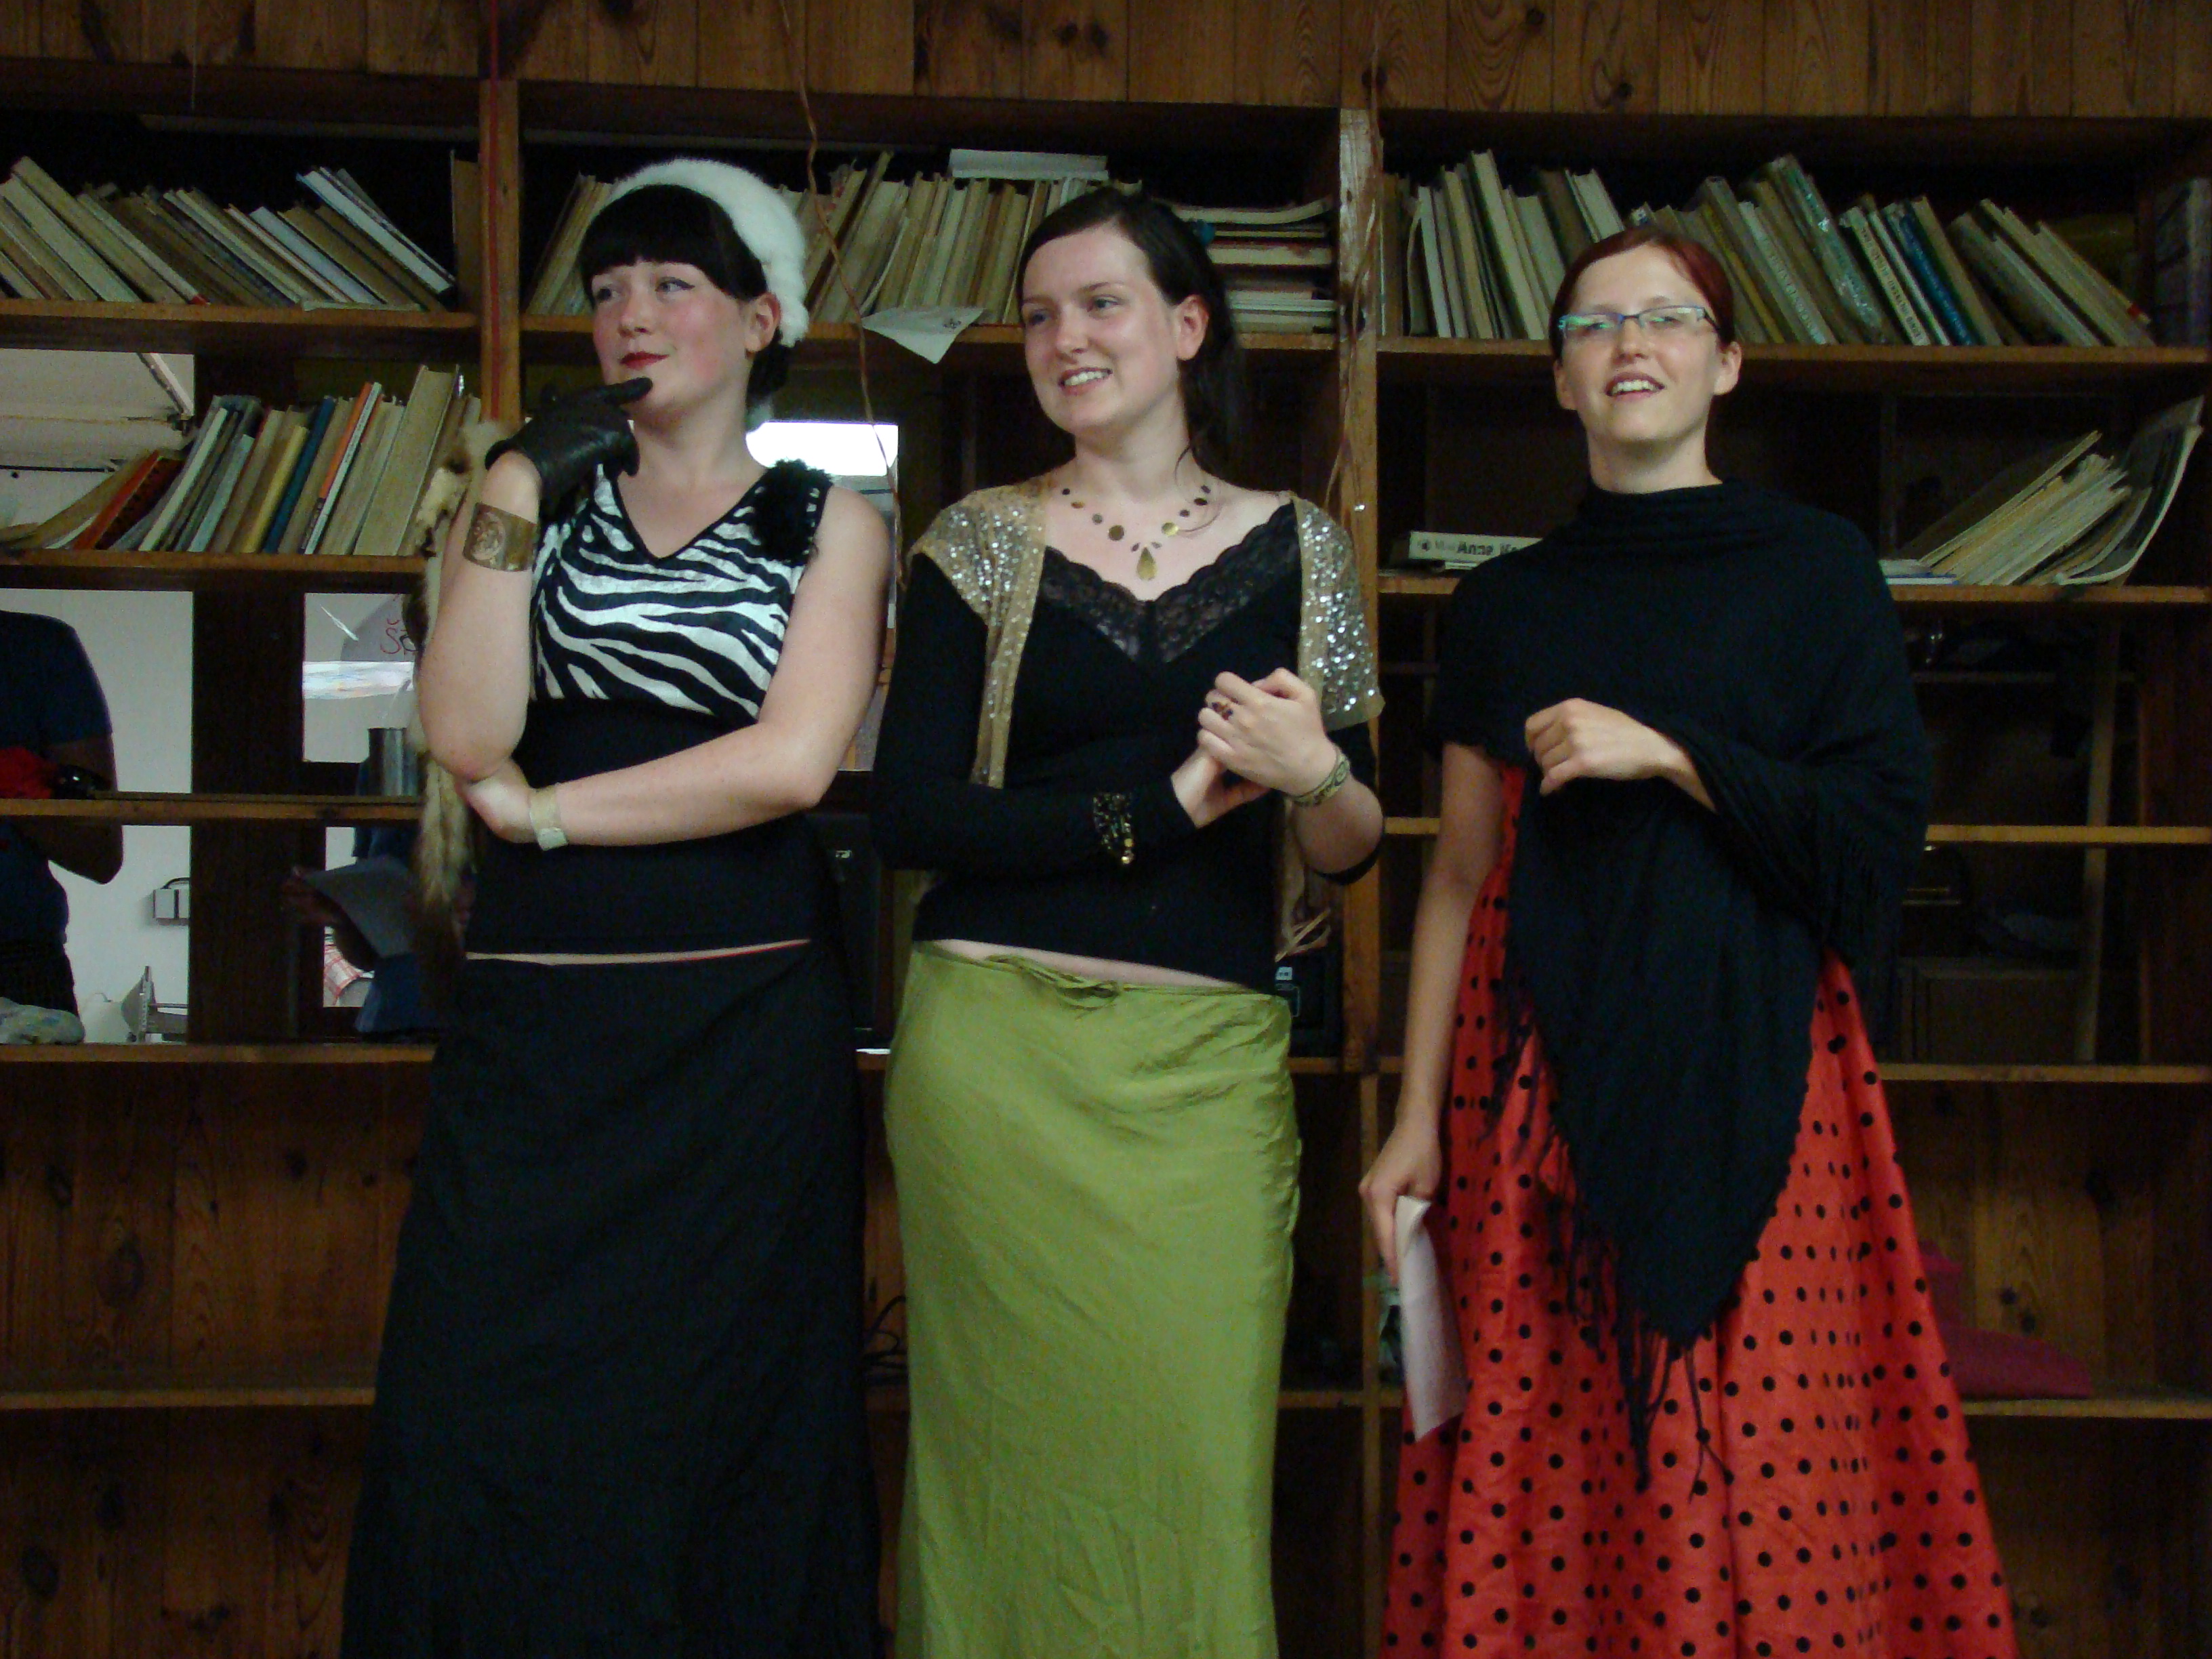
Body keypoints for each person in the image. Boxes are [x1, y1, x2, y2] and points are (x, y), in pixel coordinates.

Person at [1360, 225, 2018, 1656]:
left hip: (1764, 1067)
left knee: (1773, 1452)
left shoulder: (1818, 570)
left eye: (1663, 318)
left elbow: (1876, 832)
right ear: (1559, 379)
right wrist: (1414, 1121)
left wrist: (1671, 754)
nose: (1628, 345)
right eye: (1593, 326)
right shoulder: (1503, 605)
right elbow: (1457, 875)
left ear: (1722, 363)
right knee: (1549, 1442)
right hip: (1534, 1082)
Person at [342, 158, 890, 1658]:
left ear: (761, 320)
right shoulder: (537, 497)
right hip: (538, 1020)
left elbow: (788, 764)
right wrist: (515, 486)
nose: (631, 316)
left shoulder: (829, 519)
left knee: (730, 1401)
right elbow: (466, 727)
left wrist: (554, 813)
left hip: (740, 1023)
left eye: (672, 285)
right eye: (605, 290)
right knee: (479, 1388)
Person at [869, 188, 1383, 1656]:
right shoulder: (976, 542)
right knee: (994, 1472)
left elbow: (1349, 845)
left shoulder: (1303, 550)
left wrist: (1315, 770)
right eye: (1039, 315)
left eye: (1101, 303)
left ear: (1186, 325)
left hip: (1202, 1078)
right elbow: (910, 818)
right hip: (993, 1065)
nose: (1065, 338)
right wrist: (1156, 809)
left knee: (1195, 1472)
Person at [0, 608, 121, 1015]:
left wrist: (16, 786)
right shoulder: (39, 647)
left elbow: (100, 852)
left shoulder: (37, 648)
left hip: (18, 961)